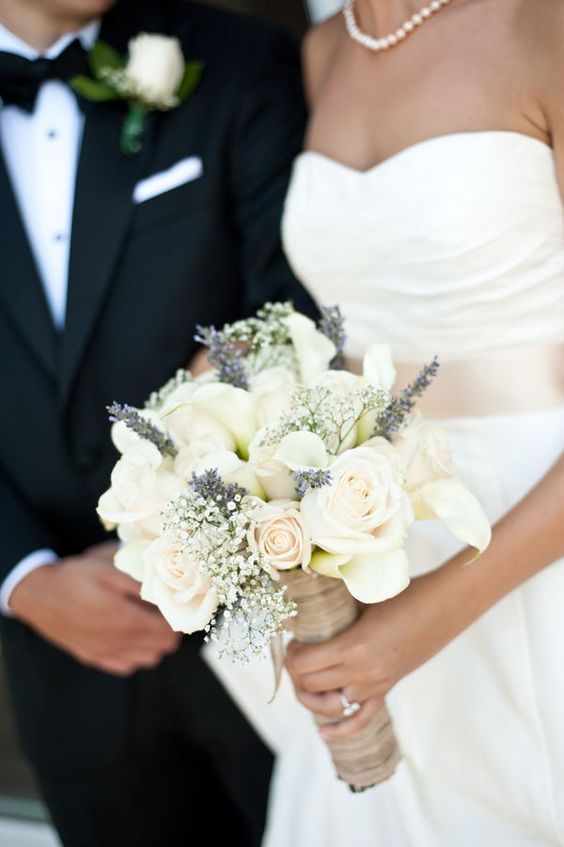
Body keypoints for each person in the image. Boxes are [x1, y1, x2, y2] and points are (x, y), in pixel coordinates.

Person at [211, 1, 564, 844]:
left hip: (533, 530)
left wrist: (422, 621)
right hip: (373, 530)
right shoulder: (324, 53)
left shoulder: (542, 24)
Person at [0, 1, 316, 845]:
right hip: (61, 649)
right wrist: (22, 575)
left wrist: (174, 526)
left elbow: (291, 309)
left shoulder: (239, 59)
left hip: (265, 619)